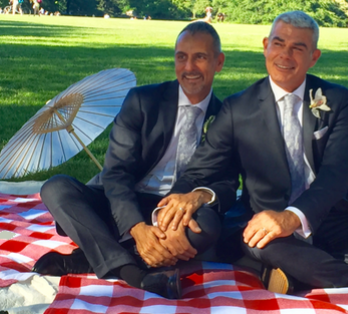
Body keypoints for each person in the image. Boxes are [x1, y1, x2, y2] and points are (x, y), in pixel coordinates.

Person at [160, 11, 348, 294]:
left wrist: (294, 217)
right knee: (258, 241)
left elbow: (337, 174)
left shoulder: (337, 100)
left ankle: (299, 269)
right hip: (264, 221)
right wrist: (178, 202)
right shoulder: (237, 108)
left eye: (298, 48)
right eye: (279, 43)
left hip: (329, 218)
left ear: (314, 57)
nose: (285, 55)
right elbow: (203, 168)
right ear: (265, 46)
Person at [36, 22, 232, 299]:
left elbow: (226, 184)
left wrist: (199, 196)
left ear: (218, 62)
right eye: (181, 57)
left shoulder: (226, 117)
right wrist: (138, 229)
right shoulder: (142, 101)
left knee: (207, 227)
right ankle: (134, 273)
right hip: (121, 202)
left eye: (200, 57)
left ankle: (86, 259)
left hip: (175, 212)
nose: (189, 67)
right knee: (56, 188)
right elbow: (116, 174)